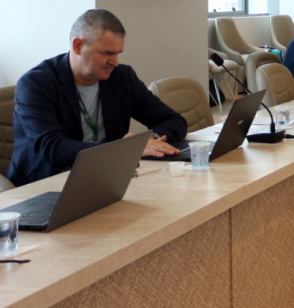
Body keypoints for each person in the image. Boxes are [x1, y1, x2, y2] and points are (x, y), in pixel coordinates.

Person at [7, 9, 187, 187]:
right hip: (45, 183)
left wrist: (149, 140)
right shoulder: (36, 83)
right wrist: (121, 150)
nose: (114, 62)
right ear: (78, 46)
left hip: (105, 176)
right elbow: (51, 147)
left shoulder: (122, 77)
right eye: (107, 53)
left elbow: (174, 120)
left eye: (118, 53)